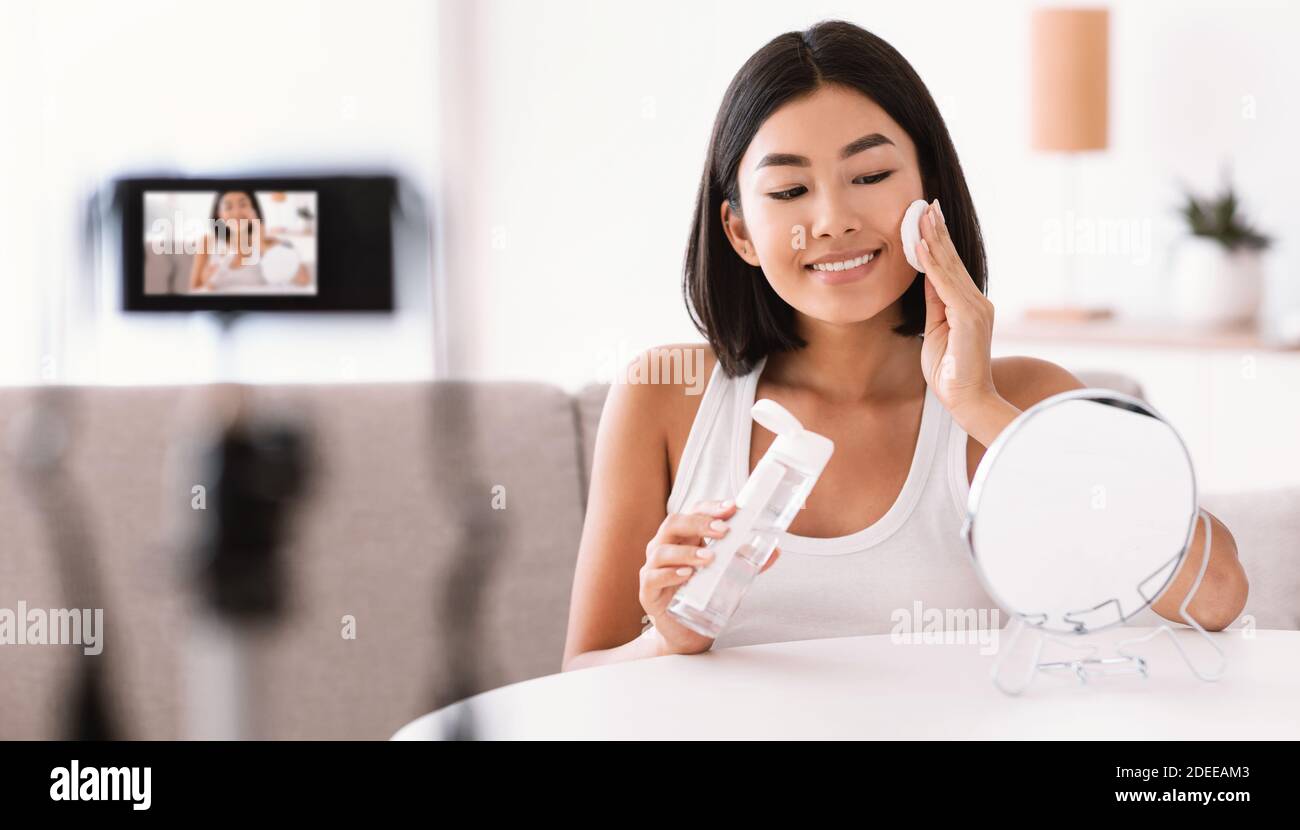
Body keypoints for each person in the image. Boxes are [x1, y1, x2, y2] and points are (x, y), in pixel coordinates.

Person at [561, 20, 1247, 672]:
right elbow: (578, 676)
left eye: (870, 177)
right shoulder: (665, 396)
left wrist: (979, 407)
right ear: (740, 232)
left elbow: (1216, 598)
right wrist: (670, 643)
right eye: (791, 189)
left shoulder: (1024, 398)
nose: (833, 221)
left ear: (930, 192)